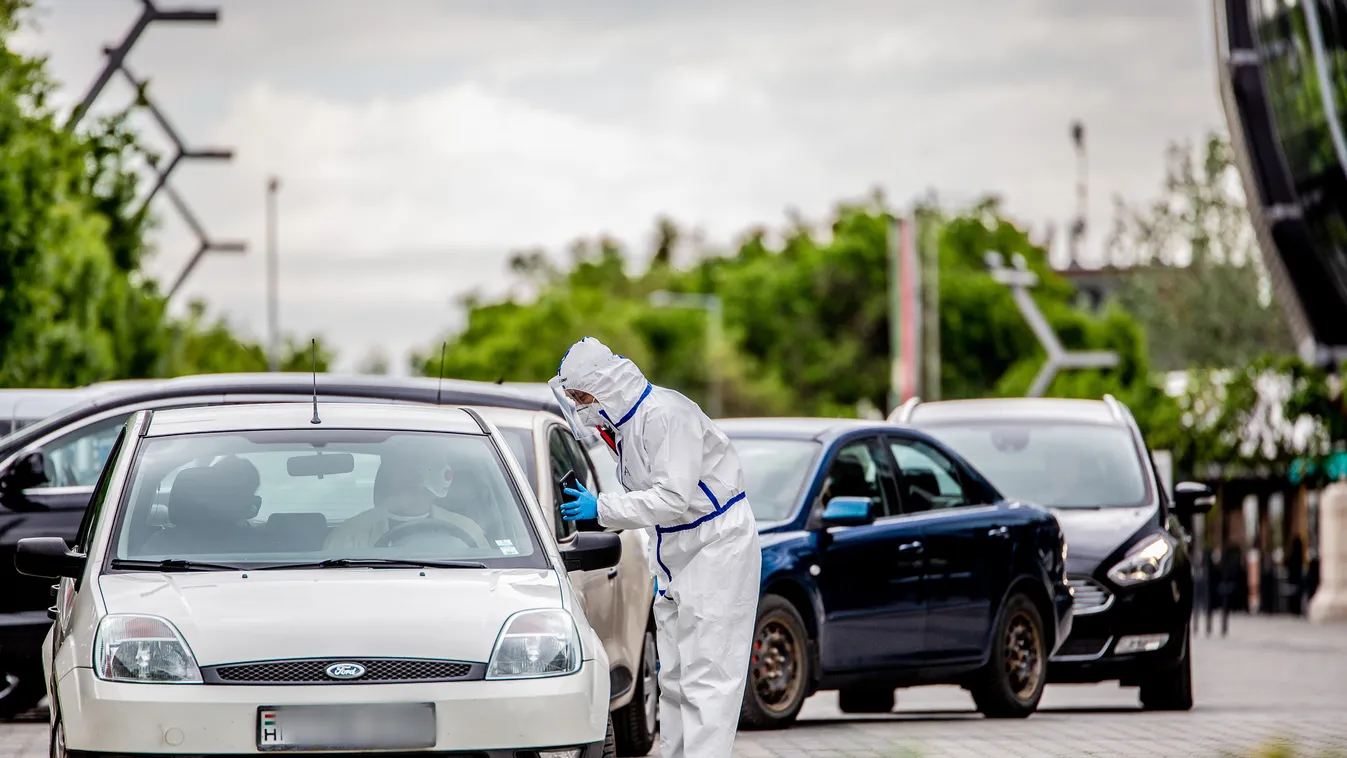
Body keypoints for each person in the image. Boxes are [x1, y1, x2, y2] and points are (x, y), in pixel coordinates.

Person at [549, 337, 760, 758]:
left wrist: (600, 507)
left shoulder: (665, 415)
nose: (578, 404)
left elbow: (672, 498)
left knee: (708, 678)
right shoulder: (626, 426)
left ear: (602, 386)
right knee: (676, 679)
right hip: (675, 552)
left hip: (716, 546)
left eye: (579, 395)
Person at [325, 455, 489, 551]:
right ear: (389, 473)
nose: (416, 472)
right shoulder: (348, 537)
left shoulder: (467, 531)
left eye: (424, 464)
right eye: (407, 464)